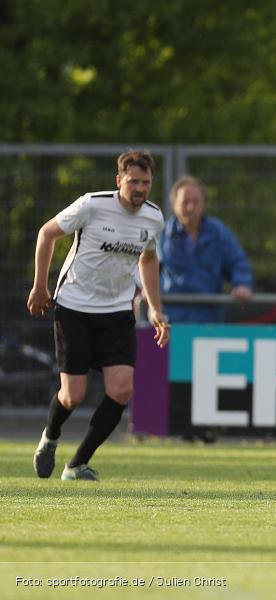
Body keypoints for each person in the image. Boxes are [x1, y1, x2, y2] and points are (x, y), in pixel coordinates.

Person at [29, 150, 170, 481]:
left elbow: (148, 259)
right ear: (119, 180)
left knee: (121, 391)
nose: (140, 188)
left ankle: (76, 465)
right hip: (74, 307)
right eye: (133, 181)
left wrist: (154, 308)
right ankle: (49, 438)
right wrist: (40, 286)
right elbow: (47, 233)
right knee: (73, 395)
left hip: (117, 310)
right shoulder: (92, 205)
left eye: (146, 182)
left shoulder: (153, 218)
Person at [158, 175, 253, 323]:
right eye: (185, 202)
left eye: (196, 202)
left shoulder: (218, 232)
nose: (191, 207)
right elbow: (146, 267)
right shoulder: (162, 234)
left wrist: (242, 284)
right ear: (174, 204)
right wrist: (149, 289)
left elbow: (237, 261)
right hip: (171, 319)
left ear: (203, 204)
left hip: (210, 319)